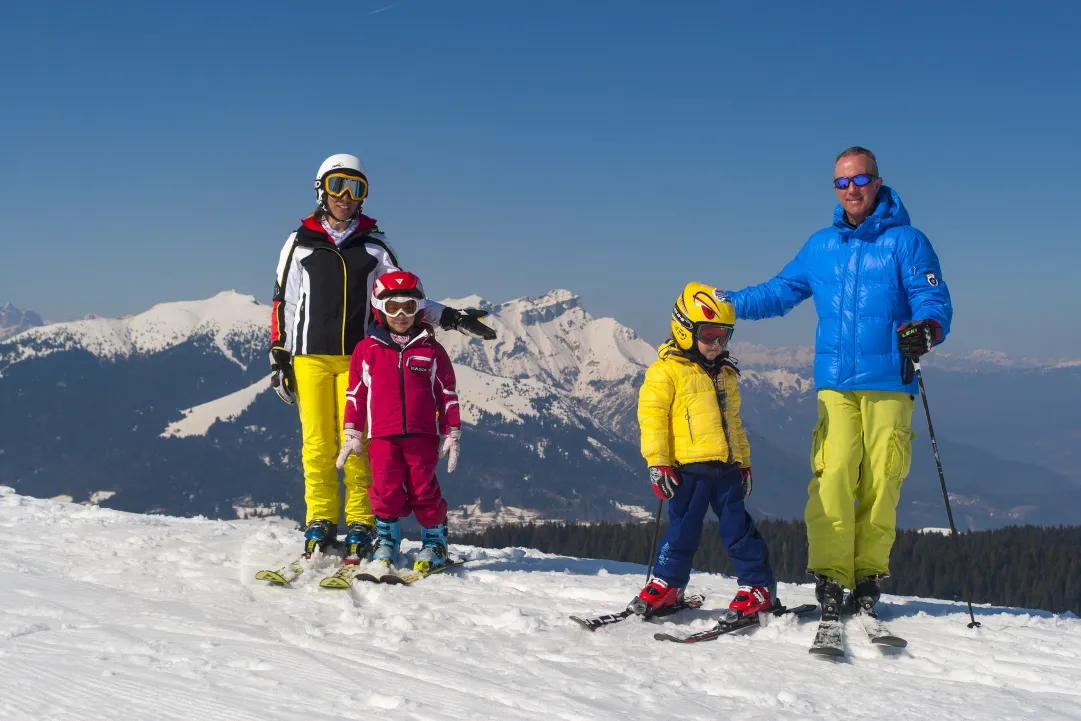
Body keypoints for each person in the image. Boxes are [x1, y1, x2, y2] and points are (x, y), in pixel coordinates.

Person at [726, 146, 953, 621]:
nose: (851, 190)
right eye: (841, 182)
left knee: (881, 481)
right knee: (832, 474)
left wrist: (926, 330)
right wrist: (726, 303)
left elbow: (932, 298)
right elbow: (779, 292)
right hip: (835, 382)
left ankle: (867, 576)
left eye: (859, 180)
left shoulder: (907, 242)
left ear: (876, 181)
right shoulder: (821, 246)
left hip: (891, 380)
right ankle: (830, 575)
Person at [270, 154, 493, 559]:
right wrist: (280, 357)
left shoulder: (375, 246)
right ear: (321, 189)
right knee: (317, 444)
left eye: (355, 188)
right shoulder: (299, 243)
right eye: (337, 185)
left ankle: (360, 520)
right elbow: (283, 302)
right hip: (310, 358)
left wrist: (451, 318)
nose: (345, 196)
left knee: (358, 444)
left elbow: (401, 299)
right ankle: (320, 520)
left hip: (362, 359)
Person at [632, 282, 776, 618]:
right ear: (684, 329)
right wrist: (658, 462)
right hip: (687, 469)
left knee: (737, 528)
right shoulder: (666, 372)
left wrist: (744, 464)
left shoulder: (726, 374)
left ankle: (757, 587)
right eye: (709, 334)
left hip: (725, 469)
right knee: (683, 530)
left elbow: (734, 425)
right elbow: (652, 420)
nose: (716, 343)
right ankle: (668, 584)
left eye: (723, 336)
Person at [335, 270, 460, 573]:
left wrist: (451, 431)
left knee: (423, 489)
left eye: (409, 306)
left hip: (421, 435)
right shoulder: (367, 350)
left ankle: (435, 542)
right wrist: (352, 431)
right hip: (382, 436)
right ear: (379, 308)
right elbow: (355, 393)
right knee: (385, 489)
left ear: (419, 309)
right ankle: (386, 540)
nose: (401, 315)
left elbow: (447, 392)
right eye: (393, 307)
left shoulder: (430, 350)